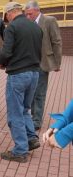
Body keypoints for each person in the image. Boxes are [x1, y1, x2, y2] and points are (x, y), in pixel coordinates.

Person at [0, 2, 43, 163]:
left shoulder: (12, 27)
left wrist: (0, 62)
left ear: (10, 13)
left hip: (18, 74)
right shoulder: (35, 27)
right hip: (34, 73)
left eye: (6, 16)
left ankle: (20, 150)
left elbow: (6, 50)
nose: (6, 19)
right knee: (25, 109)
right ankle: (31, 139)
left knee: (15, 112)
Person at [25, 0, 62, 131]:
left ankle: (36, 121)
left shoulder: (49, 20)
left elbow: (56, 41)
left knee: (39, 92)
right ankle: (32, 117)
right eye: (26, 14)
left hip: (42, 63)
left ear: (37, 10)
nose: (28, 17)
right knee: (31, 91)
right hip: (29, 62)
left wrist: (57, 62)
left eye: (30, 14)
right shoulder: (27, 22)